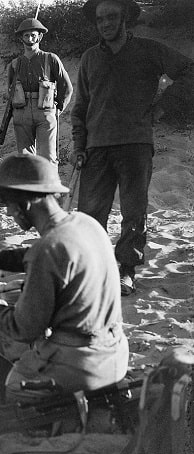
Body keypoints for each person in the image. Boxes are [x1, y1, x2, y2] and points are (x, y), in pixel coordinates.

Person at [0, 153, 129, 404]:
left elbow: (21, 329)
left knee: (11, 386)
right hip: (115, 352)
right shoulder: (85, 224)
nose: (8, 211)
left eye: (9, 203)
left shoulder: (47, 249)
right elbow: (45, 256)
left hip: (82, 366)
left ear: (27, 202)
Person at [71, 0, 194, 295]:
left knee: (134, 213)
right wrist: (79, 144)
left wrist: (162, 107)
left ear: (125, 17)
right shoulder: (90, 58)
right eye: (100, 19)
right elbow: (81, 107)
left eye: (111, 17)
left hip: (135, 144)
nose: (105, 24)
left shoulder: (149, 50)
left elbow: (189, 71)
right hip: (96, 146)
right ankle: (94, 270)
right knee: (89, 214)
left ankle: (126, 270)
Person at [7, 18, 73, 165]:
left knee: (48, 159)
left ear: (40, 37)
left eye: (33, 35)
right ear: (21, 38)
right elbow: (10, 91)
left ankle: (49, 181)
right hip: (21, 113)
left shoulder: (50, 59)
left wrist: (58, 109)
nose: (30, 39)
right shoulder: (14, 64)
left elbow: (67, 87)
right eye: (26, 35)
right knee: (25, 161)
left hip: (45, 112)